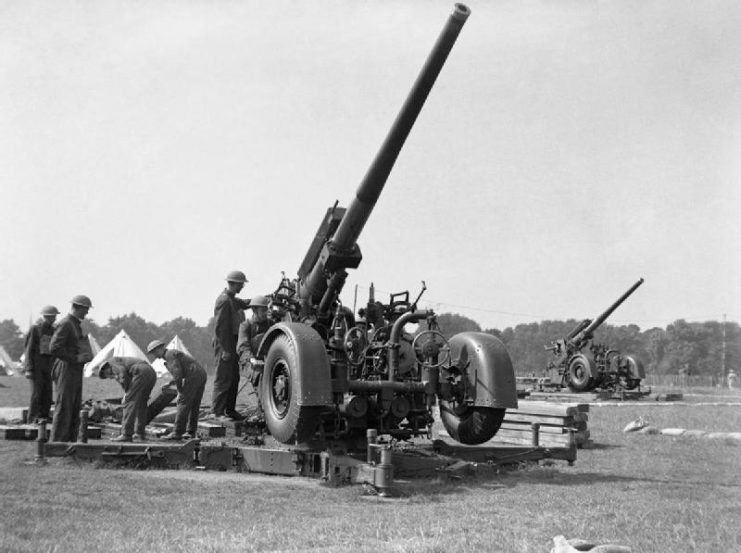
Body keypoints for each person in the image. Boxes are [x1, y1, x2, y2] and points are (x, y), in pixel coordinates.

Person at [49, 295, 94, 442]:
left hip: (74, 369)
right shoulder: (66, 323)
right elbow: (54, 348)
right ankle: (57, 443)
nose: (87, 312)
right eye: (85, 309)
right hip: (66, 367)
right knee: (64, 406)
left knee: (74, 405)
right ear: (77, 307)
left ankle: (70, 441)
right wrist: (75, 358)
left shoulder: (76, 324)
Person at [146, 340, 207, 441]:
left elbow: (178, 373)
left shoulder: (170, 355)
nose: (154, 355)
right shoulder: (172, 354)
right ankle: (191, 432)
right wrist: (170, 383)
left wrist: (180, 391)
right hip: (200, 374)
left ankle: (177, 432)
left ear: (160, 349)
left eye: (154, 352)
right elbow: (181, 371)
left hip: (193, 375)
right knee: (194, 404)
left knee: (182, 402)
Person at [212, 270, 251, 421]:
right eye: (241, 284)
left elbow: (246, 303)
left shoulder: (233, 299)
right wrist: (225, 350)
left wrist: (264, 299)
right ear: (233, 283)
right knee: (223, 379)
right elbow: (220, 328)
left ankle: (230, 410)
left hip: (233, 344)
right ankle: (217, 413)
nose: (242, 287)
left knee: (234, 378)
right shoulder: (223, 301)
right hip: (225, 345)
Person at [99, 356, 157, 442]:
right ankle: (139, 434)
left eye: (107, 375)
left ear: (105, 369)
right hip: (151, 372)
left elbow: (123, 375)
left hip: (140, 372)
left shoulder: (113, 364)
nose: (110, 377)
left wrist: (127, 395)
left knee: (129, 403)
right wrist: (128, 393)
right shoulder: (121, 362)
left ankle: (126, 434)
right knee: (141, 404)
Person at [23, 305, 59, 423]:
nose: (54, 319)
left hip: (48, 366)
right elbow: (29, 349)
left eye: (54, 317)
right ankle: (32, 418)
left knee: (47, 393)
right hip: (36, 366)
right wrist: (28, 368)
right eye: (52, 316)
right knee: (36, 394)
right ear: (45, 316)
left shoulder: (53, 330)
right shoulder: (35, 329)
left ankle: (44, 416)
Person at [236, 295, 272, 399]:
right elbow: (243, 347)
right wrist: (252, 359)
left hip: (267, 360)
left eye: (267, 309)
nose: (266, 312)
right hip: (249, 362)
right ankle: (265, 410)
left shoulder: (271, 324)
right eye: (263, 310)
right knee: (259, 376)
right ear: (254, 310)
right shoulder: (245, 326)